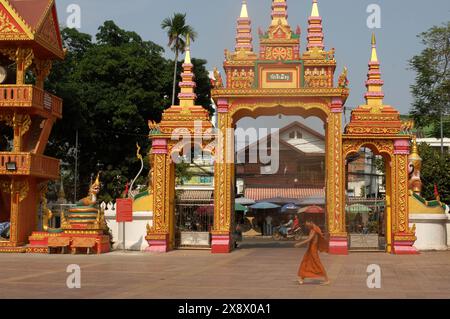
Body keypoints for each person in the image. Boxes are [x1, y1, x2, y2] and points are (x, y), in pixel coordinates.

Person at [294, 220, 330, 285]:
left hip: (313, 250)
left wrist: (299, 244)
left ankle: (327, 279)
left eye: (307, 225)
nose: (307, 226)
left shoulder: (314, 230)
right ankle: (302, 278)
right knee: (306, 262)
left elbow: (309, 239)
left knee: (317, 263)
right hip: (311, 249)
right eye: (306, 225)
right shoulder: (313, 228)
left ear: (311, 222)